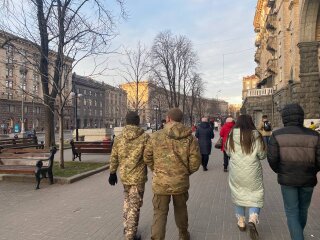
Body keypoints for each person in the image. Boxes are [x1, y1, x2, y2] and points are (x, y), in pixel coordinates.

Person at [144, 108, 201, 240]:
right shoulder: (190, 138)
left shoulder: (156, 136)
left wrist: (157, 170)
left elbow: (147, 157)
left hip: (160, 182)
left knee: (159, 212)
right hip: (180, 181)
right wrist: (184, 172)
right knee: (181, 209)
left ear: (168, 118)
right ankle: (183, 235)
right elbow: (195, 162)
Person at [267, 103, 320, 240]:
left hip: (287, 180)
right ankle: (298, 234)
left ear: (284, 118)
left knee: (291, 211)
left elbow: (272, 159)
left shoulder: (277, 135)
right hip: (308, 179)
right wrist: (312, 171)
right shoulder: (314, 135)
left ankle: (297, 236)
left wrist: (281, 171)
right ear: (301, 117)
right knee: (303, 210)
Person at [108, 111, 149, 240]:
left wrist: (112, 172)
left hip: (124, 176)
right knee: (135, 205)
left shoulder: (119, 138)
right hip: (138, 177)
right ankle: (130, 235)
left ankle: (127, 227)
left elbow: (114, 156)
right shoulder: (145, 137)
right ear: (138, 122)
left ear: (126, 121)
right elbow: (149, 157)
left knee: (127, 201)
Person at [225, 115, 266, 240]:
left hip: (236, 171)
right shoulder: (256, 135)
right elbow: (262, 155)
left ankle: (241, 222)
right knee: (256, 193)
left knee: (238, 192)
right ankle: (253, 219)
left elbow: (228, 152)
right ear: (251, 122)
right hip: (253, 171)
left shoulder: (232, 134)